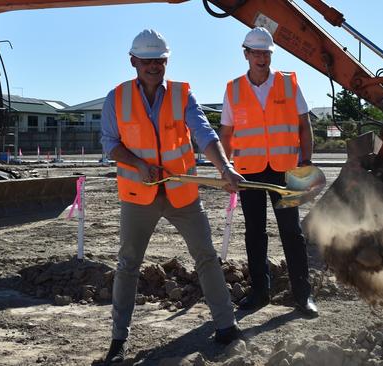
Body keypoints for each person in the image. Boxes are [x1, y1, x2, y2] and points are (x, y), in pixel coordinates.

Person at [100, 29, 245, 365]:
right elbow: (110, 144)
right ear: (133, 61)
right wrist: (138, 164)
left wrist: (224, 167)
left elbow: (204, 134)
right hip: (139, 195)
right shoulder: (116, 98)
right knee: (128, 265)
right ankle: (118, 338)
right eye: (147, 60)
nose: (154, 66)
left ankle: (226, 325)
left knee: (207, 257)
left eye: (160, 60)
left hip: (182, 195)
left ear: (167, 61)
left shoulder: (182, 95)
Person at [219, 27, 318, 318]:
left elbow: (304, 126)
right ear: (246, 54)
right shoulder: (233, 89)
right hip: (248, 172)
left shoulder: (288, 84)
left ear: (270, 54)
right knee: (255, 233)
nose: (261, 58)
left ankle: (303, 294)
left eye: (266, 53)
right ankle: (260, 293)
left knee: (292, 232)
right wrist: (226, 168)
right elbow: (226, 132)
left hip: (286, 170)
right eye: (256, 53)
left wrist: (307, 162)